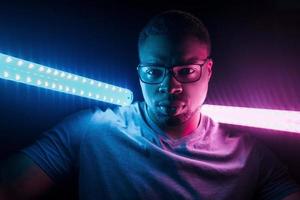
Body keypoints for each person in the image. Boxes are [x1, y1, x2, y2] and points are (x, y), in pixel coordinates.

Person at [1, 10, 300, 200]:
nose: (169, 87)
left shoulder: (246, 155)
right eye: (154, 72)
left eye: (186, 70)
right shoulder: (91, 130)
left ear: (208, 70)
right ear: (140, 73)